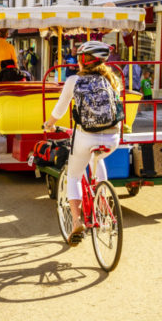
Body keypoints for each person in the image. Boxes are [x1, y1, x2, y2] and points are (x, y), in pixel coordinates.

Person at [41, 41, 123, 246]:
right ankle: (103, 199)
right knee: (98, 157)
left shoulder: (73, 81)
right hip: (113, 137)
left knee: (74, 176)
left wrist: (49, 125)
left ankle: (77, 221)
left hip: (87, 136)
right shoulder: (112, 79)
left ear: (83, 60)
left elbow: (60, 109)